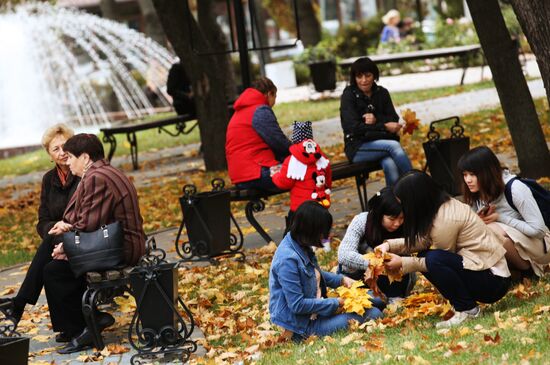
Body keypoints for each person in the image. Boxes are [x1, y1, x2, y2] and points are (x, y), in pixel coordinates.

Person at [43, 133, 146, 354]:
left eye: (71, 156)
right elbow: (84, 219)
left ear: (86, 157)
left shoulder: (96, 177)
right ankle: (78, 326)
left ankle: (85, 327)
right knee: (53, 259)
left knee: (54, 270)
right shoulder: (102, 172)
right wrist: (67, 234)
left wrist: (68, 247)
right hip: (121, 243)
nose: (67, 161)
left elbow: (87, 224)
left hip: (123, 249)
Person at [379, 171, 511, 328]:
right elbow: (424, 241)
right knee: (427, 256)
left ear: (415, 200)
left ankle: (467, 310)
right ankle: (465, 306)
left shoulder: (445, 220)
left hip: (493, 281)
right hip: (482, 269)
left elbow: (439, 262)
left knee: (432, 259)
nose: (402, 208)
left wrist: (403, 262)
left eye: (404, 203)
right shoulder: (440, 207)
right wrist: (389, 245)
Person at [0, 124, 79, 332]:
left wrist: (64, 228)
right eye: (56, 149)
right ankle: (66, 328)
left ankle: (18, 306)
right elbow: (42, 220)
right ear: (49, 155)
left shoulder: (81, 172)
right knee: (49, 264)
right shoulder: (48, 179)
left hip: (81, 235)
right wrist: (54, 229)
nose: (62, 153)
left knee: (50, 249)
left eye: (65, 147)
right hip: (56, 239)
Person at [269, 201, 384, 341]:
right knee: (375, 314)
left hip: (316, 310)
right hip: (303, 324)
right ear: (311, 230)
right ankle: (300, 336)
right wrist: (337, 302)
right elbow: (297, 305)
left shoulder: (300, 244)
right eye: (323, 232)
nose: (326, 236)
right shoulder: (287, 260)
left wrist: (342, 280)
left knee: (378, 300)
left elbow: (311, 274)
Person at [457, 146, 549, 277]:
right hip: (512, 245)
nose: (468, 180)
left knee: (493, 230)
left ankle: (527, 272)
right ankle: (505, 273)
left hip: (541, 246)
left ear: (487, 172)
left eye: (472, 174)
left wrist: (500, 218)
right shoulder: (475, 193)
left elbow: (539, 230)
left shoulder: (515, 188)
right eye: (465, 174)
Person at [340, 57, 412, 186]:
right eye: (359, 76)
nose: (364, 80)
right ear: (354, 78)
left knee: (390, 164)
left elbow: (393, 118)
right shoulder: (348, 95)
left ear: (374, 75)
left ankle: (394, 202)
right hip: (357, 147)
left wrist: (376, 119)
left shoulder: (382, 92)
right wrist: (383, 126)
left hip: (381, 144)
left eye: (368, 75)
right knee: (393, 146)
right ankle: (418, 184)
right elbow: (353, 127)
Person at [338, 187, 416, 302]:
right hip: (359, 276)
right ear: (380, 214)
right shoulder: (362, 221)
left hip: (393, 278)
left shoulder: (405, 226)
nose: (397, 223)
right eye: (392, 219)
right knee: (375, 303)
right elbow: (343, 255)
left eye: (401, 218)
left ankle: (393, 297)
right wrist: (375, 264)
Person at [226, 77, 291, 192]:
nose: (274, 103)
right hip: (258, 173)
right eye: (275, 97)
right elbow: (277, 142)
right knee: (307, 170)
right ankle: (308, 208)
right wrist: (299, 152)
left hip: (240, 176)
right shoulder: (260, 110)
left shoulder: (242, 110)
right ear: (269, 94)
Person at [271, 121, 332, 225]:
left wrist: (275, 175)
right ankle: (323, 240)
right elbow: (328, 179)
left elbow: (284, 183)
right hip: (320, 205)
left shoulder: (291, 161)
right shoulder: (322, 158)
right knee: (320, 231)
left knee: (297, 235)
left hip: (300, 209)